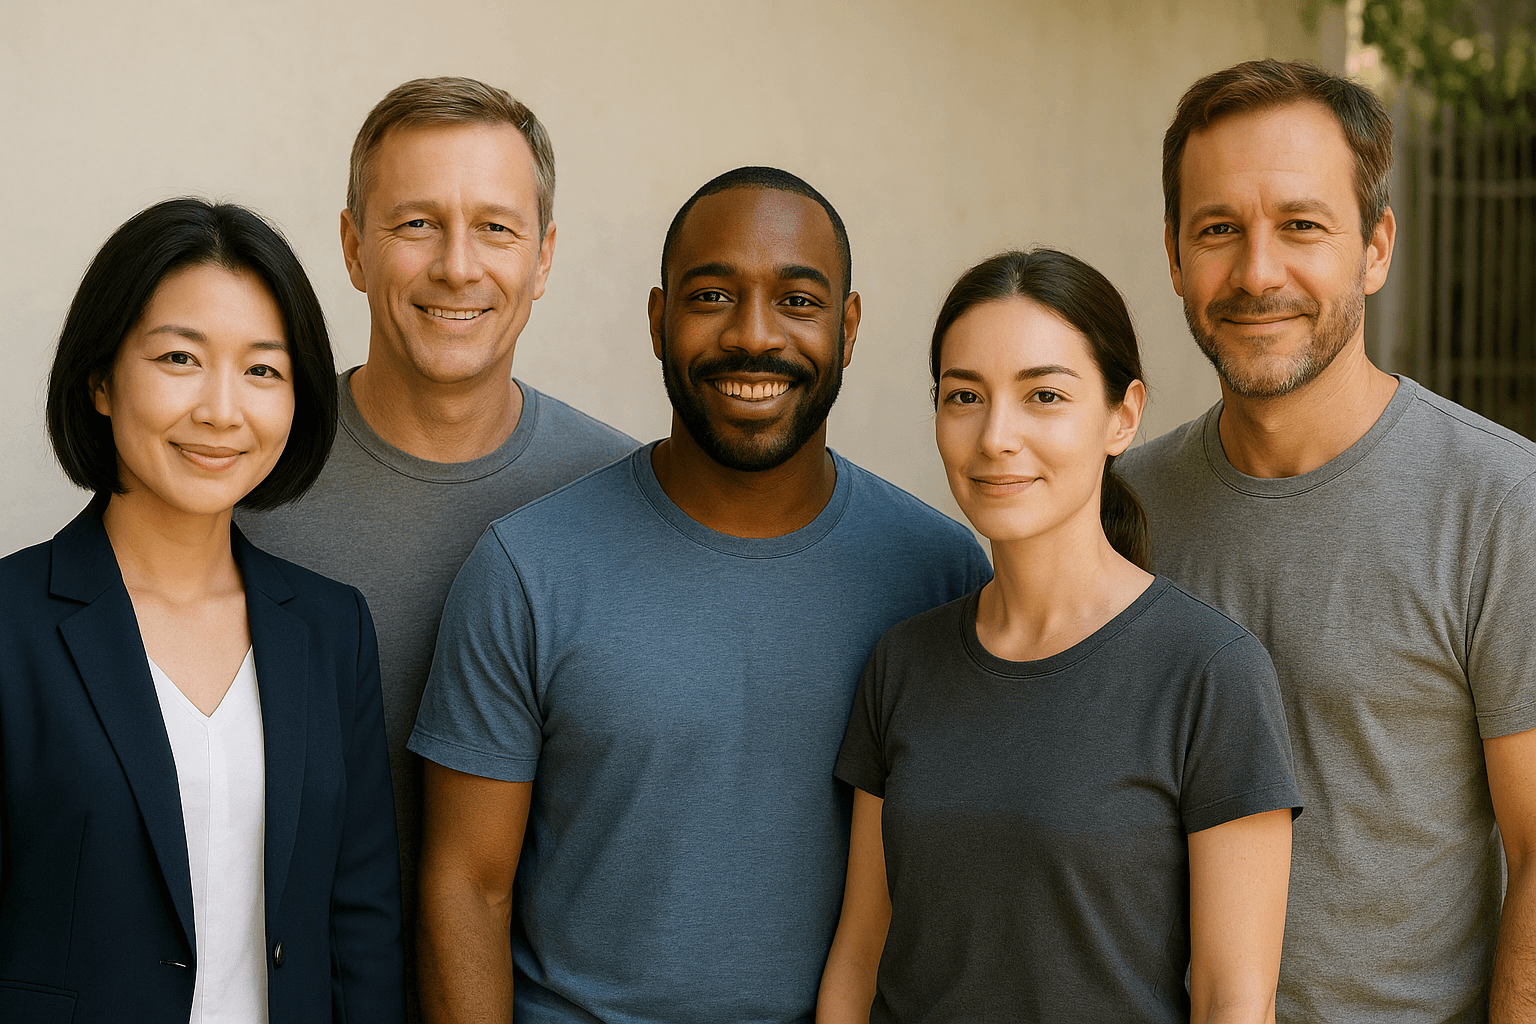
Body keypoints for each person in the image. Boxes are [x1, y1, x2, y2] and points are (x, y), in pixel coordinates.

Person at [407, 166, 992, 1024]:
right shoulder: (527, 570)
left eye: (798, 301)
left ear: (848, 328)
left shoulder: (940, 574)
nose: (753, 335)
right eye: (713, 295)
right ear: (658, 321)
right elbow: (467, 885)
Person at [1118, 59, 1536, 1023]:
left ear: (1375, 248)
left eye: (1301, 225)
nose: (1257, 272)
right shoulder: (1124, 509)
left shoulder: (1501, 505)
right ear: (1175, 257)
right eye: (1218, 230)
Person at [815, 249, 1301, 1024]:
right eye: (964, 395)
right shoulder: (902, 663)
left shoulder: (1210, 673)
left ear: (1122, 415)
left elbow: (1234, 1002)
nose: (996, 436)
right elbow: (860, 956)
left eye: (1043, 395)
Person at [236, 76, 638, 1002]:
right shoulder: (243, 484)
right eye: (416, 224)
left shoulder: (622, 496)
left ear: (543, 258)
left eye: (496, 228)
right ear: (353, 247)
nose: (458, 267)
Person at [0, 198, 403, 1023]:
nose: (222, 409)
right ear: (101, 380)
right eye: (180, 358)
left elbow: (360, 926)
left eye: (262, 370)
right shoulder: (11, 625)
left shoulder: (332, 630)